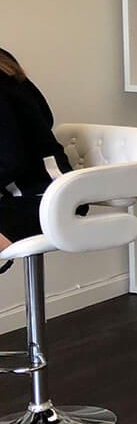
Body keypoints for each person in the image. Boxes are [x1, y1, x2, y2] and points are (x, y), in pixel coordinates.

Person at [0, 48, 72, 270]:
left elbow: (12, 161)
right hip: (27, 192)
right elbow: (46, 116)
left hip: (47, 196)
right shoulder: (4, 63)